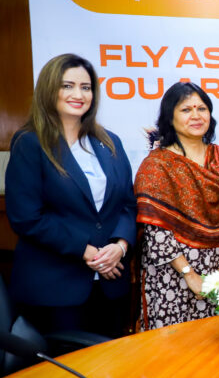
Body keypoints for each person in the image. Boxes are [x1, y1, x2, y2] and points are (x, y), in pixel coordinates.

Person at [5, 54, 136, 337]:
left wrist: (120, 246)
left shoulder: (110, 142)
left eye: (86, 87)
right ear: (50, 89)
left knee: (115, 374)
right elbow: (26, 218)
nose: (79, 94)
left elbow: (128, 203)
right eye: (68, 86)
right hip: (55, 290)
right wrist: (86, 251)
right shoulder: (30, 143)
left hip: (111, 284)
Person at [135, 82, 219, 330]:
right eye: (186, 110)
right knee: (177, 356)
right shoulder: (156, 164)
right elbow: (156, 231)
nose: (196, 116)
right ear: (170, 117)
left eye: (202, 108)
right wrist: (189, 274)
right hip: (173, 275)